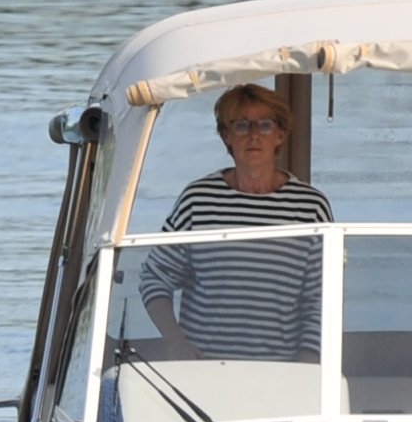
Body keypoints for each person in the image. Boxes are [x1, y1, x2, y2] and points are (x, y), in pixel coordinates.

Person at [138, 83, 332, 359]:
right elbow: (155, 277)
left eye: (265, 125)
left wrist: (307, 364)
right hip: (203, 368)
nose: (254, 135)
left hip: (282, 371)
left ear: (280, 135)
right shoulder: (198, 200)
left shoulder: (310, 206)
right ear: (226, 136)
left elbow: (322, 298)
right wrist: (175, 342)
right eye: (241, 125)